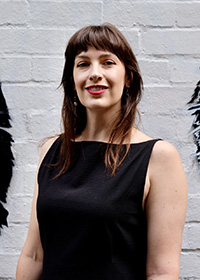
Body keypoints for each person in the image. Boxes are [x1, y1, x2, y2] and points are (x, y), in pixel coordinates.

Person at [16, 24, 187, 280]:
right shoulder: (50, 150)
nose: (95, 73)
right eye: (83, 64)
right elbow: (34, 255)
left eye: (107, 62)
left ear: (128, 77)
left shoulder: (158, 157)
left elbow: (162, 272)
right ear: (73, 81)